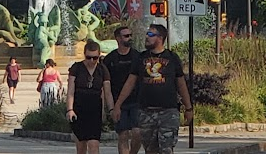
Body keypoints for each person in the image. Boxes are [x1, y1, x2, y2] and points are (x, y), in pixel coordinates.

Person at [112, 23, 193, 154]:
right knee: (150, 150)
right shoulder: (140, 58)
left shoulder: (172, 58)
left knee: (166, 149)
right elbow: (130, 83)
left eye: (150, 34)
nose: (147, 37)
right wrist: (118, 105)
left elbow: (181, 84)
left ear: (160, 38)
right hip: (146, 112)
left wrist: (188, 108)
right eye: (147, 33)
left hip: (168, 112)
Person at [66, 41, 114, 154]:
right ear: (84, 55)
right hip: (79, 109)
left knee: (94, 145)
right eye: (88, 57)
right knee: (81, 146)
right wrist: (70, 109)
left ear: (99, 56)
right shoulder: (76, 68)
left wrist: (111, 109)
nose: (92, 61)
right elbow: (70, 91)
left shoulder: (102, 70)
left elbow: (108, 92)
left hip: (95, 110)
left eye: (95, 58)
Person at [104, 26, 142, 154]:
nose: (129, 38)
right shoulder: (110, 59)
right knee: (123, 134)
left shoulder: (137, 56)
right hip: (119, 103)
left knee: (137, 133)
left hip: (136, 101)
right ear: (118, 38)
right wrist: (110, 108)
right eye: (126, 36)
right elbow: (106, 85)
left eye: (130, 35)